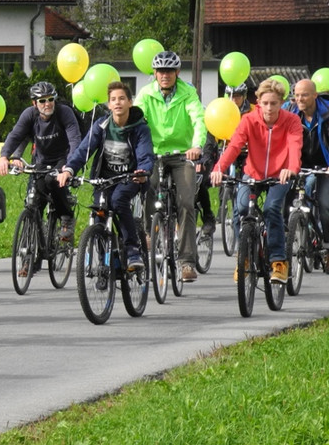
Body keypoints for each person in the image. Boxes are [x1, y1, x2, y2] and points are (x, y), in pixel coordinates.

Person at [211, 78, 301, 284]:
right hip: (253, 173)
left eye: (274, 103)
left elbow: (295, 146)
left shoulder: (291, 121)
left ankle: (278, 261)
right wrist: (218, 169)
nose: (269, 108)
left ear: (281, 103)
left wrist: (291, 168)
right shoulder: (249, 120)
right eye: (265, 103)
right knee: (241, 209)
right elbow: (234, 146)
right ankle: (244, 258)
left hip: (280, 175)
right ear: (258, 102)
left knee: (271, 209)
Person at [57, 82, 153, 271]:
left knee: (118, 201)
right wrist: (69, 170)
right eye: (113, 99)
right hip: (104, 179)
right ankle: (105, 263)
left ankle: (132, 250)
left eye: (122, 99)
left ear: (130, 102)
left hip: (130, 178)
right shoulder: (101, 125)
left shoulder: (140, 128)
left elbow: (145, 155)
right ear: (109, 105)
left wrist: (143, 171)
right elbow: (84, 150)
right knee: (99, 213)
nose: (118, 103)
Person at [135, 51, 208, 282]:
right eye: (160, 71)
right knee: (146, 186)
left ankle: (187, 262)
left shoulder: (188, 93)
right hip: (154, 153)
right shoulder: (146, 94)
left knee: (186, 202)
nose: (164, 75)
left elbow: (198, 119)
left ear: (177, 72)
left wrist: (196, 145)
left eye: (169, 71)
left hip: (182, 154)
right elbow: (136, 118)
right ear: (155, 73)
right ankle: (149, 232)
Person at [0, 81, 81, 242]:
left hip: (62, 158)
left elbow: (74, 140)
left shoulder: (64, 112)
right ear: (34, 103)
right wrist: (4, 156)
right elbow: (16, 135)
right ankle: (35, 246)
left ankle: (67, 217)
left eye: (50, 99)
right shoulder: (29, 114)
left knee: (52, 181)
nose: (47, 104)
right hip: (41, 159)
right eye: (42, 101)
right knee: (35, 199)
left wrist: (69, 166)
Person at [286, 78, 329, 242]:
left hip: (325, 165)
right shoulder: (290, 113)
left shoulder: (327, 113)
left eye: (304, 95)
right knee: (284, 201)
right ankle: (287, 241)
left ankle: (327, 245)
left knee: (325, 205)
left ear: (315, 95)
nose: (299, 99)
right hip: (300, 164)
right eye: (296, 95)